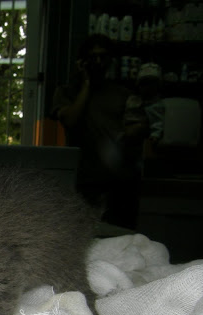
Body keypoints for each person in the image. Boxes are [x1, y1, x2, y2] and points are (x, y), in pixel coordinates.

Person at [52, 34, 140, 229]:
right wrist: (86, 85)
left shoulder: (122, 94)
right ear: (83, 61)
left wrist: (125, 136)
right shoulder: (67, 92)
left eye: (103, 57)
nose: (98, 62)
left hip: (117, 177)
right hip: (83, 177)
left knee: (121, 233)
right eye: (93, 57)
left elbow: (137, 128)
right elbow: (70, 120)